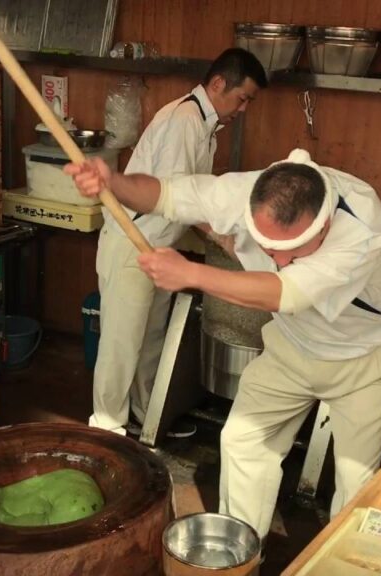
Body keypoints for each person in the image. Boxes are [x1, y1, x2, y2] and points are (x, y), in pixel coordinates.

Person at [65, 148, 381, 548]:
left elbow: (285, 292)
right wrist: (113, 182)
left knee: (357, 482)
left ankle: (346, 564)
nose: (281, 259)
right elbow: (166, 195)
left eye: (295, 250)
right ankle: (241, 556)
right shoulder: (252, 191)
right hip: (291, 348)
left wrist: (191, 273)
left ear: (325, 225)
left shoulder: (362, 225)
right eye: (269, 248)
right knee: (243, 443)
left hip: (366, 360)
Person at [91, 48, 267, 438]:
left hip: (157, 250)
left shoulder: (206, 127)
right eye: (243, 98)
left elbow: (197, 195)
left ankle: (146, 417)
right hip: (132, 243)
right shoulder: (184, 120)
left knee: (151, 339)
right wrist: (220, 235)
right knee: (122, 344)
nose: (243, 109)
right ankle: (107, 429)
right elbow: (176, 195)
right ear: (218, 83)